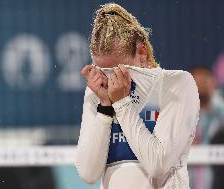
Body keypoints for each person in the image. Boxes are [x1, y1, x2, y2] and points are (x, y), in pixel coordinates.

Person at [75, 3, 200, 189]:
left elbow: (158, 164)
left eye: (117, 71)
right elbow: (88, 173)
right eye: (104, 71)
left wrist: (122, 104)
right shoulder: (97, 91)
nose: (111, 80)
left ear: (141, 52)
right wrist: (104, 107)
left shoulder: (177, 84)